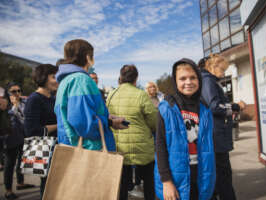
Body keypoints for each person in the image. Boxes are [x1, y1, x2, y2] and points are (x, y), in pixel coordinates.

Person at [154, 58, 215, 200]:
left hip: (201, 174)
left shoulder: (205, 108)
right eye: (183, 78)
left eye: (193, 77)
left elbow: (210, 145)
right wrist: (166, 181)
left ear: (199, 79)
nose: (188, 82)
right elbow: (160, 146)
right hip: (175, 177)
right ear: (175, 82)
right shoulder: (166, 108)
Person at [55, 39, 127, 153]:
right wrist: (110, 123)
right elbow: (82, 122)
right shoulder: (80, 80)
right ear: (88, 57)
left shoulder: (66, 80)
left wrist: (106, 116)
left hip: (71, 147)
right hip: (90, 149)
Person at [106, 64, 157, 200]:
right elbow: (154, 121)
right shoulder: (141, 95)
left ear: (121, 77)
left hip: (119, 146)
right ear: (136, 78)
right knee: (149, 183)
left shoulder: (111, 94)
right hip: (142, 147)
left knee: (121, 185)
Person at [199, 54, 238, 200]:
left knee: (218, 175)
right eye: (222, 69)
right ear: (213, 67)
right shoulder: (208, 81)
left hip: (215, 134)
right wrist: (234, 107)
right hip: (215, 135)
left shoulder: (209, 80)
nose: (224, 73)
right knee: (223, 176)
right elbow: (214, 106)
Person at [24, 64, 59, 199]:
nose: (57, 80)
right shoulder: (34, 99)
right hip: (43, 149)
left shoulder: (53, 98)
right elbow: (31, 130)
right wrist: (58, 125)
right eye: (53, 76)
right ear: (43, 78)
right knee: (48, 189)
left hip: (55, 148)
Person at [2, 82, 35, 200]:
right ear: (8, 93)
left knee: (22, 161)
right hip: (10, 139)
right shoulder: (4, 104)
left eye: (19, 91)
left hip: (23, 136)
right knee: (9, 164)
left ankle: (21, 183)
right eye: (13, 91)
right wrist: (15, 107)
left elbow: (27, 118)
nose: (17, 94)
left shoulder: (25, 102)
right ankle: (8, 190)